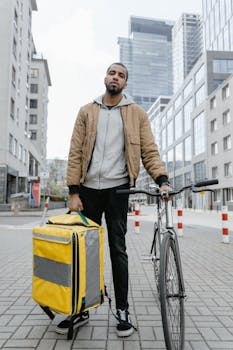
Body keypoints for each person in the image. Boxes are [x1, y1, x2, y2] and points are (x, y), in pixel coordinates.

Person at [55, 62, 171, 337]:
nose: (115, 77)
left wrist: (162, 180)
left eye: (121, 75)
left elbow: (149, 151)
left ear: (125, 84)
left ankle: (122, 310)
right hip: (87, 193)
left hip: (118, 191)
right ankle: (80, 308)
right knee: (85, 252)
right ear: (105, 77)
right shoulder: (87, 111)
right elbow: (75, 151)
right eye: (112, 73)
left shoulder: (137, 115)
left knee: (118, 250)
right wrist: (73, 192)